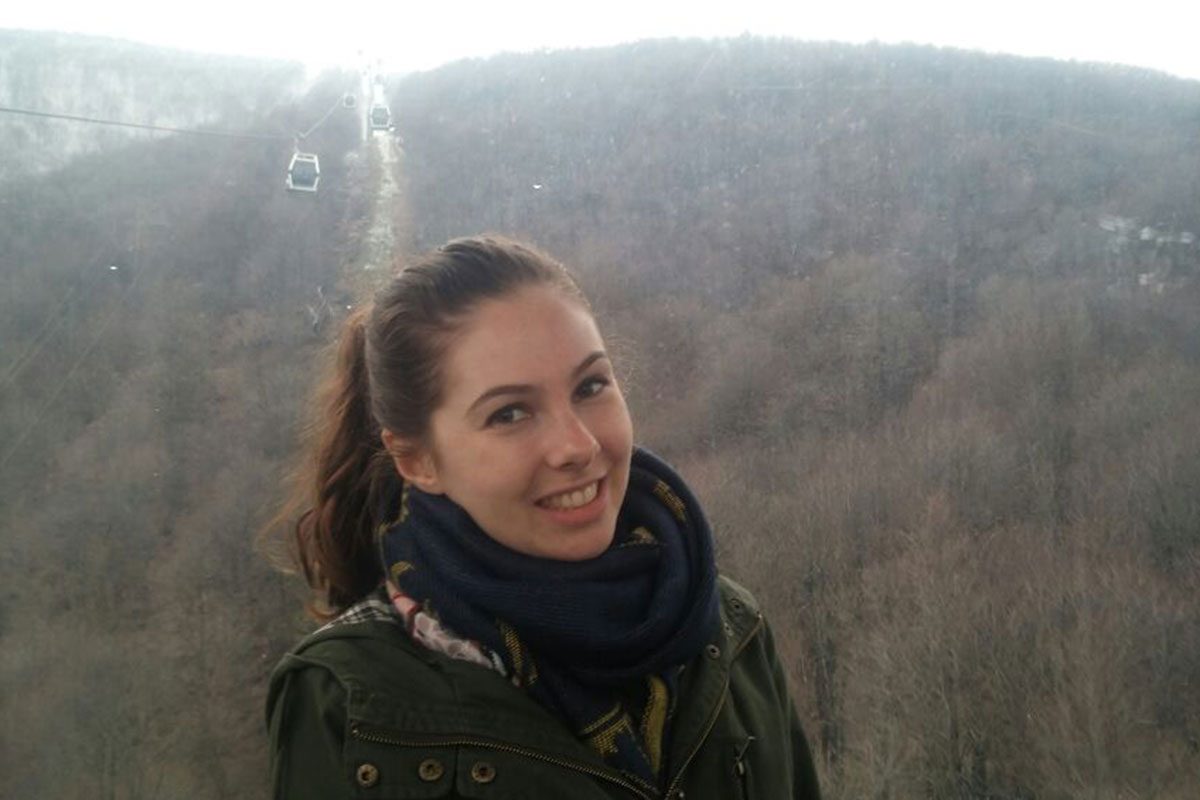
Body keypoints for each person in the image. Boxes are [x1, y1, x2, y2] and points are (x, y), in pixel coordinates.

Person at [265, 235, 822, 799]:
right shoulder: (348, 703)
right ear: (418, 460)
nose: (576, 446)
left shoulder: (729, 628)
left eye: (591, 386)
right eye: (509, 413)